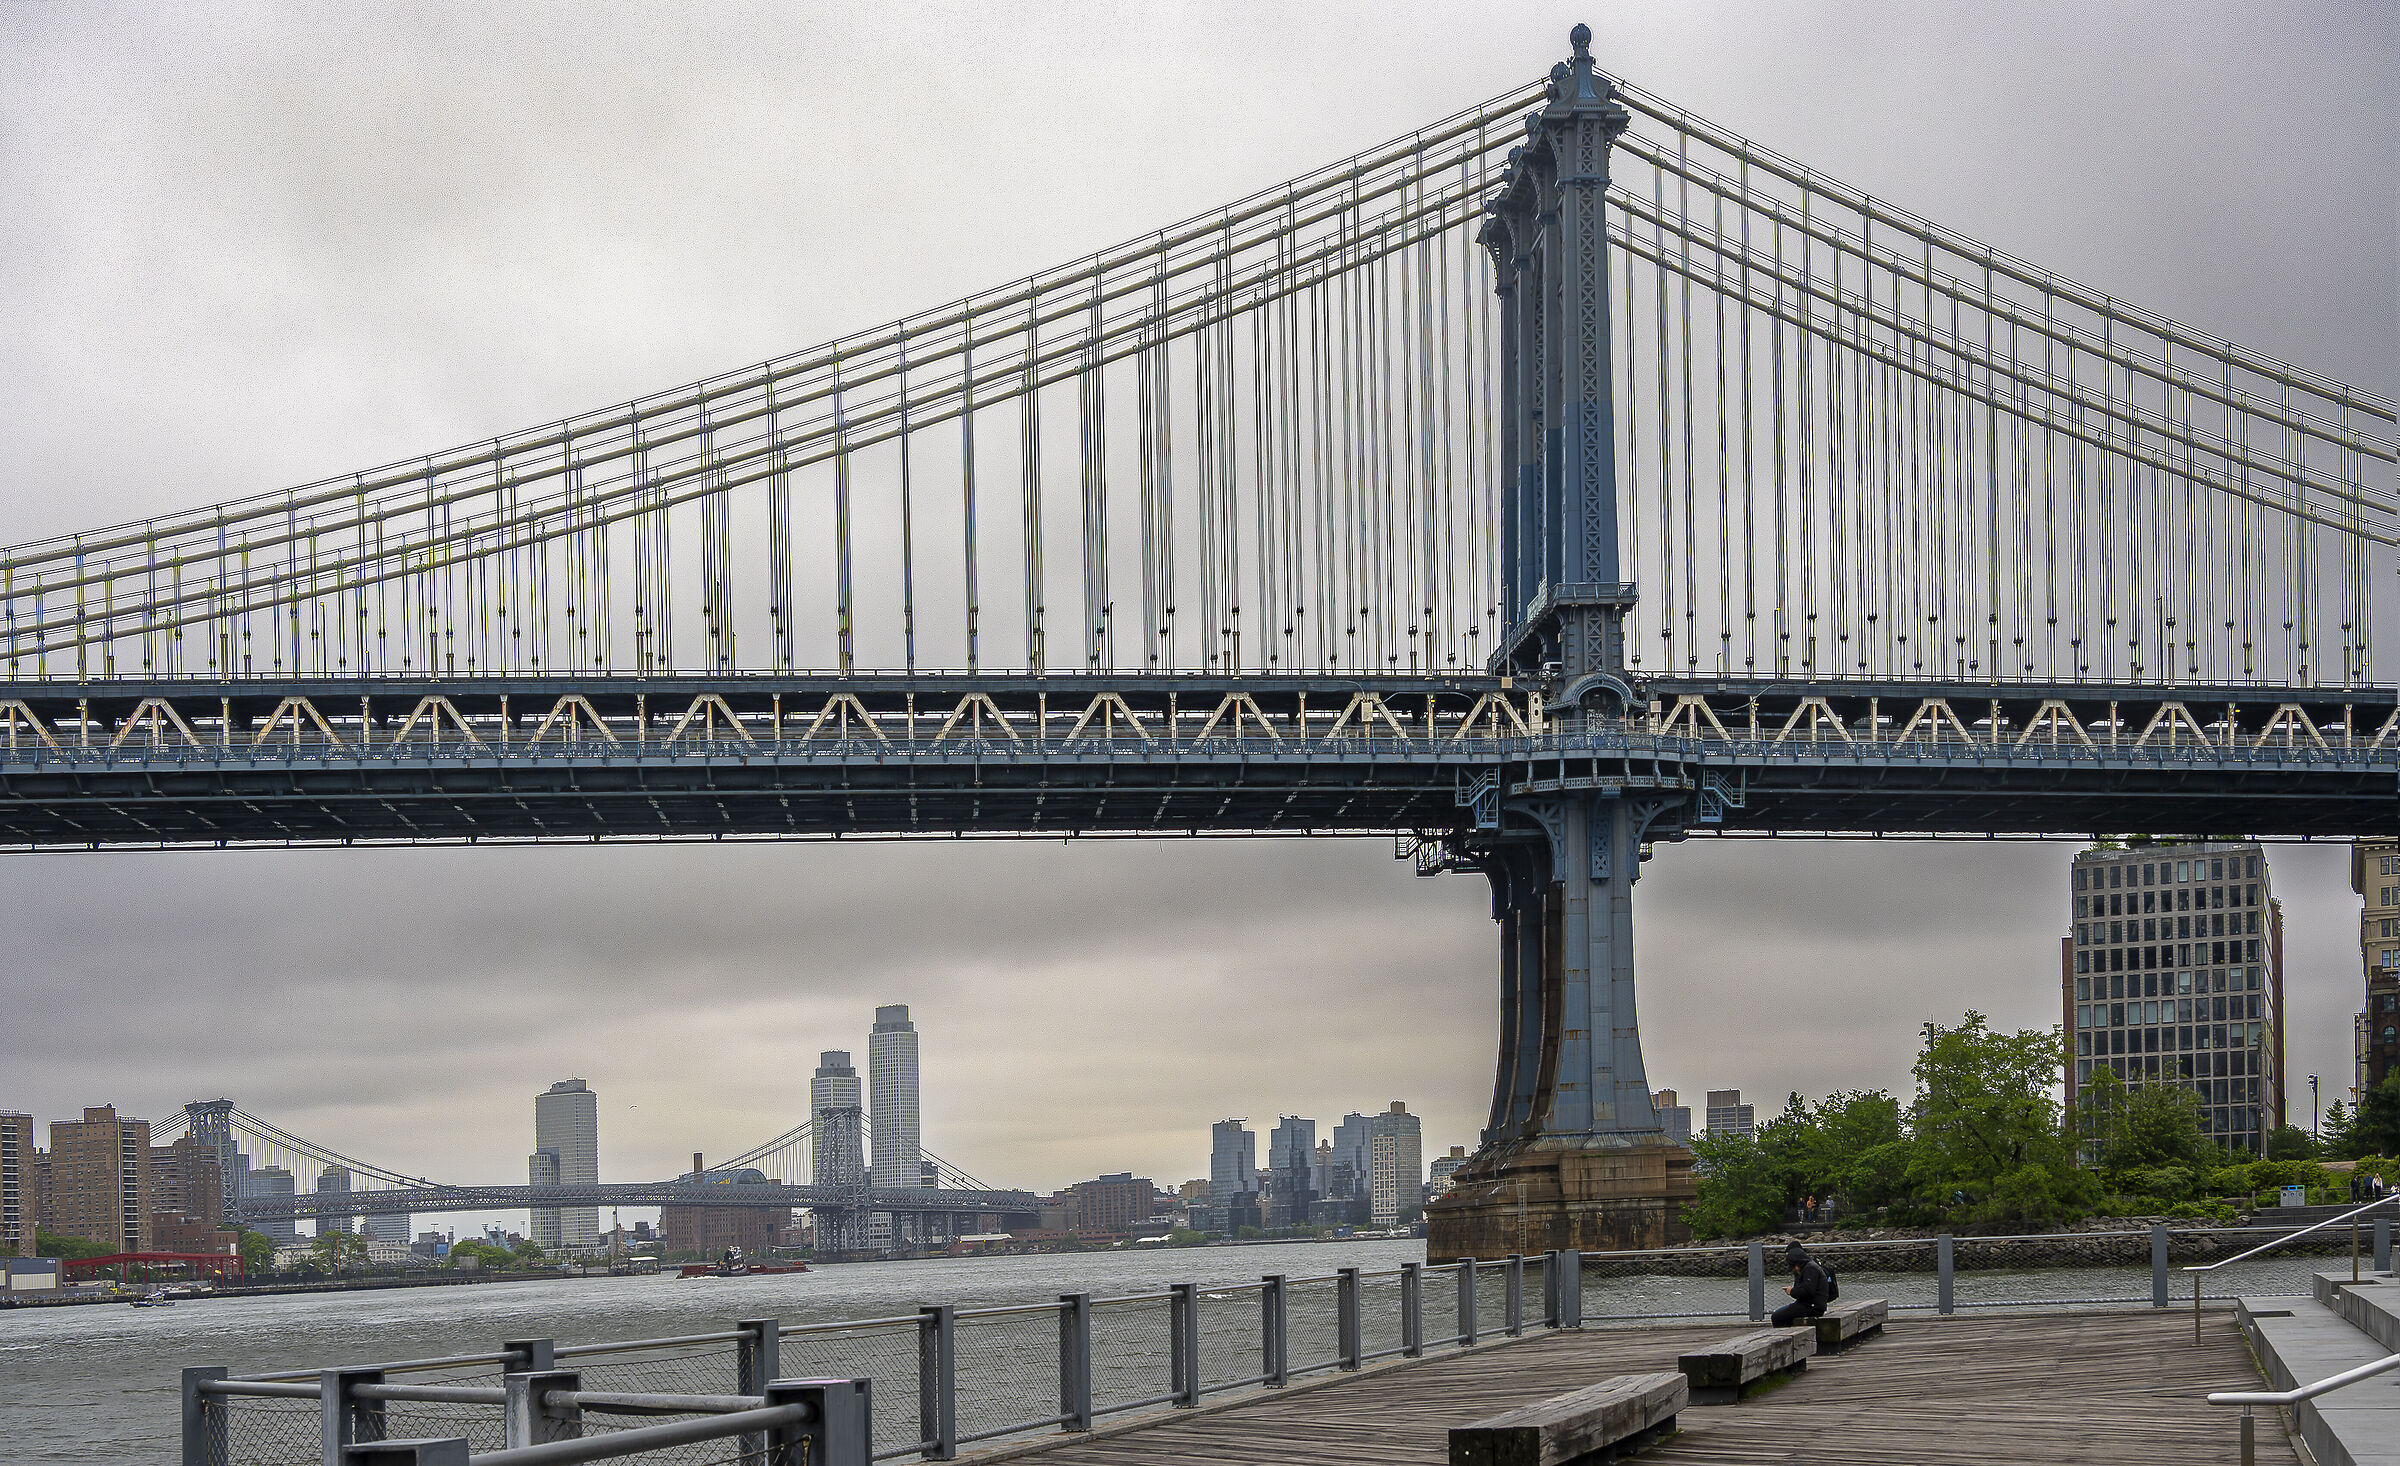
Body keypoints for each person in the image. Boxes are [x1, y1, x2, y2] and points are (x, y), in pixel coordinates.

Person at [1771, 1241, 1829, 1328]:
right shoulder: (1809, 1267)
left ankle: (1784, 1334)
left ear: (1798, 1262)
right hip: (1809, 1305)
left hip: (1813, 1307)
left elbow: (1808, 1292)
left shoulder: (1810, 1269)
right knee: (1780, 1313)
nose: (1794, 1269)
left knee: (1777, 1317)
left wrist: (1792, 1291)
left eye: (1794, 1266)